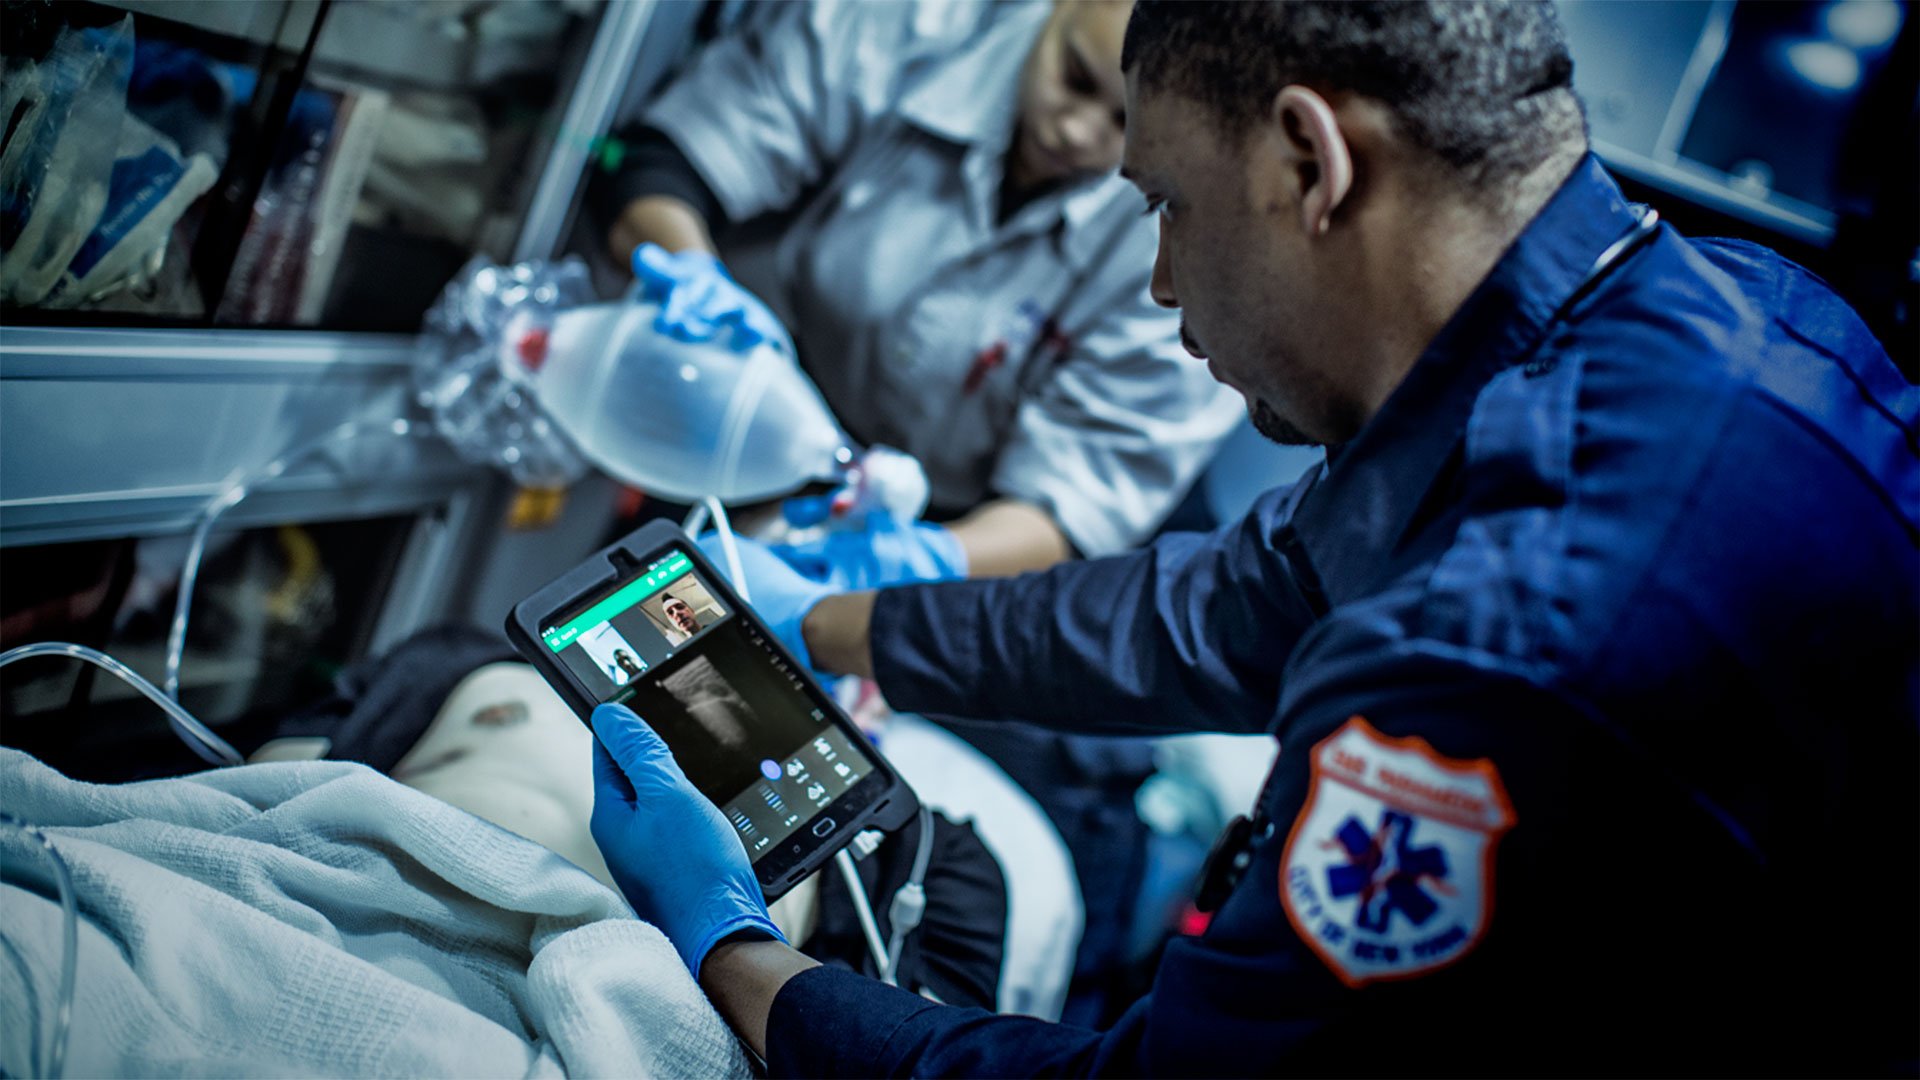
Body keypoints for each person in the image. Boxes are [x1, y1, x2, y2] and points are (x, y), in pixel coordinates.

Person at [587, 1, 1919, 1075]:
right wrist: (827, 618)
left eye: (1167, 203)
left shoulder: (1498, 647)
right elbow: (1228, 606)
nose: (1163, 285)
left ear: (1308, 165)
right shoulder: (1729, 312)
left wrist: (735, 954)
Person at [601, 0, 1241, 585]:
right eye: (1073, 78)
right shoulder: (908, 25)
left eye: (1126, 123)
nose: (1077, 131)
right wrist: (695, 283)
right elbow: (665, 166)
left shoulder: (1187, 241)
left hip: (974, 525)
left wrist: (917, 567)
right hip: (778, 409)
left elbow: (1066, 514)